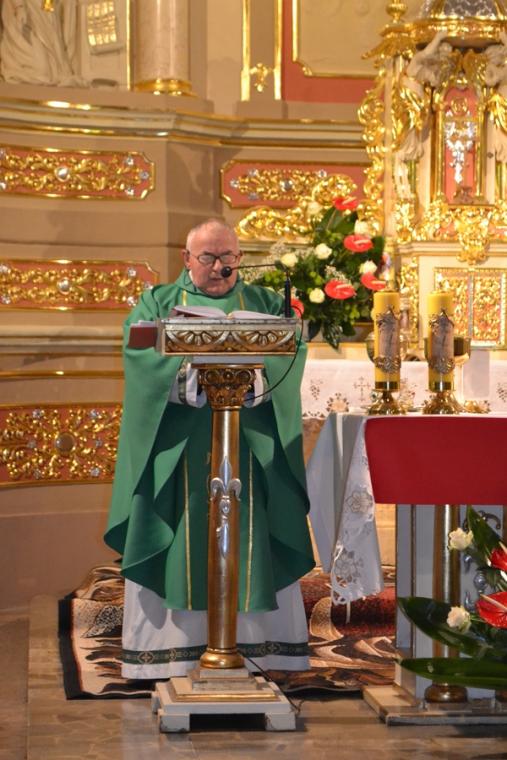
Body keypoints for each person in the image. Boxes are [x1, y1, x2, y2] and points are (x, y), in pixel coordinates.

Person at [105, 218, 315, 679]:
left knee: (250, 518)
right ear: (186, 259)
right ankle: (175, 650)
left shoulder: (264, 303)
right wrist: (188, 378)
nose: (220, 267)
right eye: (208, 258)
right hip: (179, 442)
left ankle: (259, 644)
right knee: (183, 522)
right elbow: (139, 354)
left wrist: (254, 380)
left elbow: (293, 349)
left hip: (249, 438)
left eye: (228, 257)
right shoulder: (158, 302)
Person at [0, 0, 84, 86]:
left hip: (42, 15)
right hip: (22, 15)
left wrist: (49, 9)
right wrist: (19, 7)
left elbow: (48, 6)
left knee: (50, 68)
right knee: (41, 68)